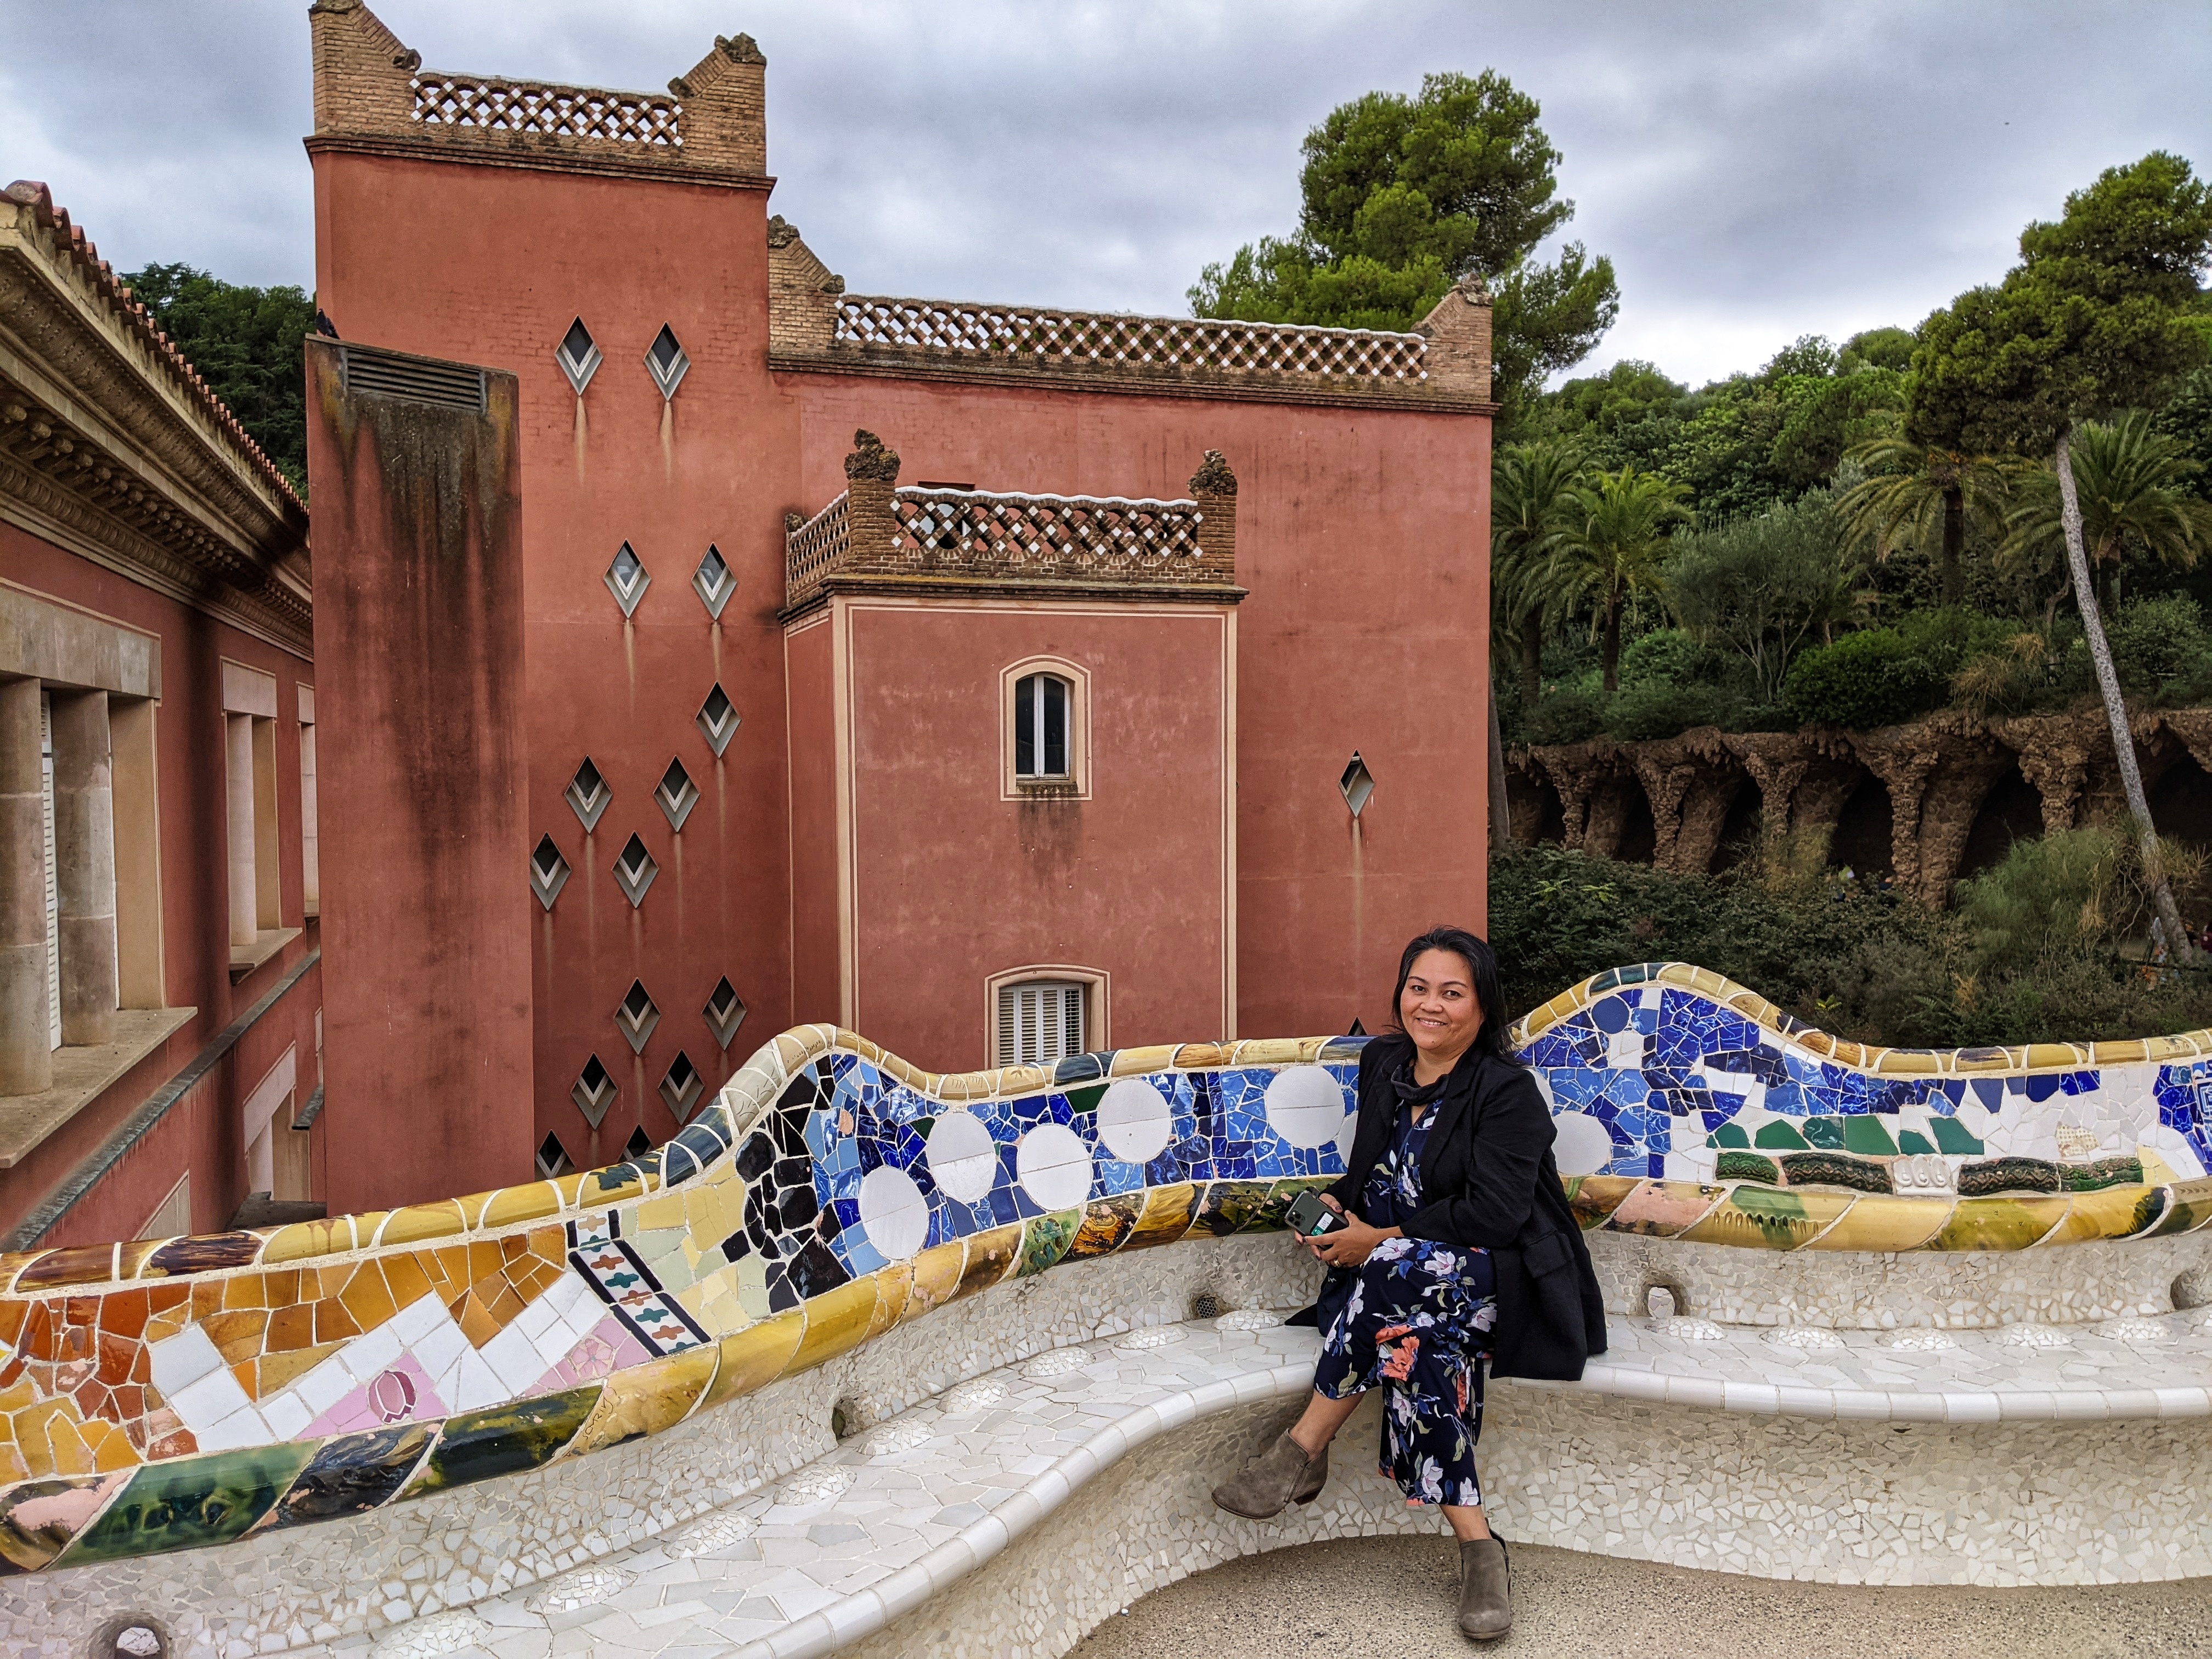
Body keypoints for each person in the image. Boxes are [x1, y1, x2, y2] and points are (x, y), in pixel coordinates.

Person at [1209, 926, 1606, 1641]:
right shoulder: (1387, 1064)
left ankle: (1301, 1446)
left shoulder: (1507, 1093)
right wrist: (1339, 1211)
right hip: (1402, 1294)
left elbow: (1495, 1214)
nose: (1431, 1006)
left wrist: (1378, 1243)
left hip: (1498, 1280)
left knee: (1393, 1273)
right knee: (1413, 1351)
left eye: (1452, 993)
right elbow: (1376, 1175)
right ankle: (1480, 1550)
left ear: (1482, 1009)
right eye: (1418, 988)